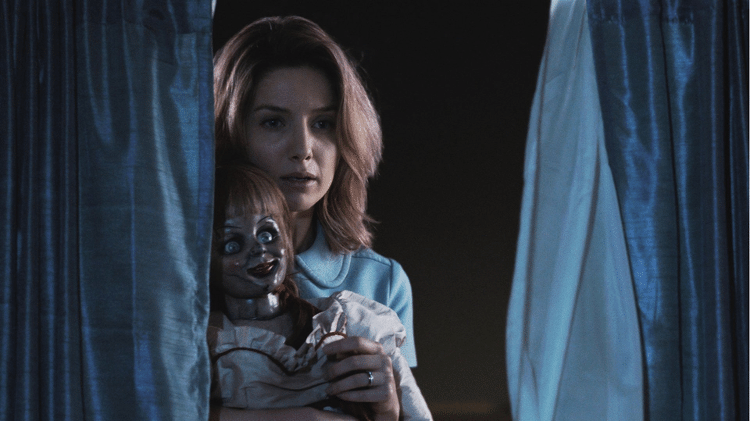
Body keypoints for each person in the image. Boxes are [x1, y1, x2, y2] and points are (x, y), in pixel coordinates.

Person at [213, 16, 418, 368]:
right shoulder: (183, 271)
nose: (303, 149)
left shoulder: (382, 282)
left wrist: (385, 397)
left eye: (323, 124)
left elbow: (404, 399)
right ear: (230, 133)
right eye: (273, 122)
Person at [208, 164, 431, 421]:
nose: (258, 249)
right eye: (232, 245)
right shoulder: (204, 343)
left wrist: (386, 411)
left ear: (286, 236)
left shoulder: (349, 322)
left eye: (267, 234)